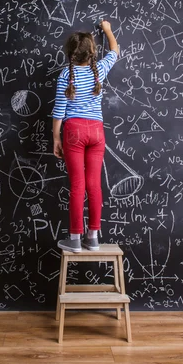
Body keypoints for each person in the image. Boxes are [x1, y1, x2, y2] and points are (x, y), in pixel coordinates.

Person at [52, 20, 119, 252]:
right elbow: (115, 51)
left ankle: (75, 240)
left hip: (74, 132)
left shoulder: (65, 76)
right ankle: (93, 238)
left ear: (69, 53)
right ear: (92, 52)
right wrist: (108, 30)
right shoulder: (99, 70)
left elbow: (59, 111)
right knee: (94, 185)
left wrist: (56, 139)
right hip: (97, 131)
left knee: (77, 185)